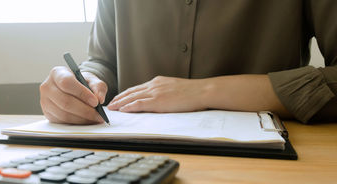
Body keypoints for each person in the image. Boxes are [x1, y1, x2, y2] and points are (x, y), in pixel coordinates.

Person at [40, 0, 337, 125]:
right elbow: (104, 61)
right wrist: (81, 83)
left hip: (264, 172)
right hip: (127, 159)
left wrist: (205, 92)